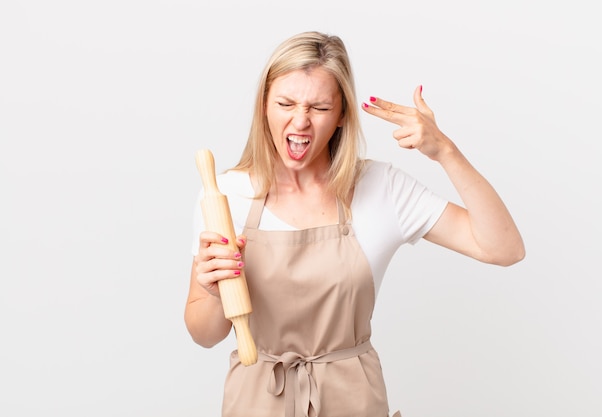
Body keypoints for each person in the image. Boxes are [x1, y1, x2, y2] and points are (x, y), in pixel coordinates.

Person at [184, 31, 525, 417]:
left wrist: (445, 152)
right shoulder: (224, 195)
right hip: (255, 402)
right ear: (264, 105)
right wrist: (212, 291)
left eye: (319, 107)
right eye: (285, 103)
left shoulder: (381, 189)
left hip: (352, 401)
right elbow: (203, 334)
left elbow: (504, 248)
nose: (300, 120)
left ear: (344, 113)